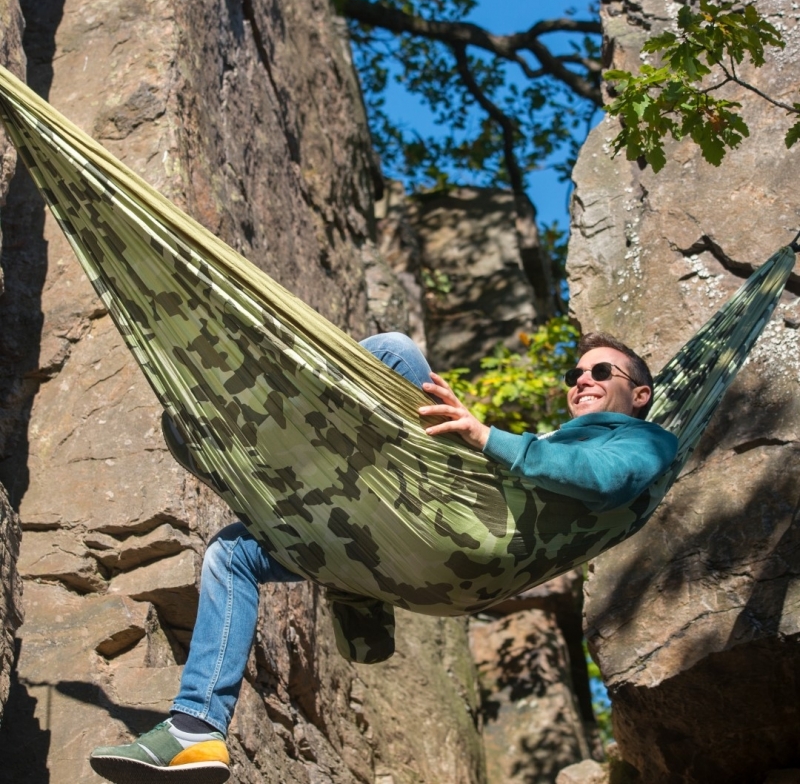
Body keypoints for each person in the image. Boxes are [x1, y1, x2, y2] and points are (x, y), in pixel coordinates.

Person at [89, 331, 677, 784]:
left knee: (393, 352)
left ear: (640, 394)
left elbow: (604, 478)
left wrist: (484, 436)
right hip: (430, 537)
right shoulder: (556, 438)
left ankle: (351, 583)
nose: (582, 379)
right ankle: (196, 727)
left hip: (462, 528)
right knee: (233, 553)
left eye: (601, 371)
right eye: (576, 372)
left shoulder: (646, 441)